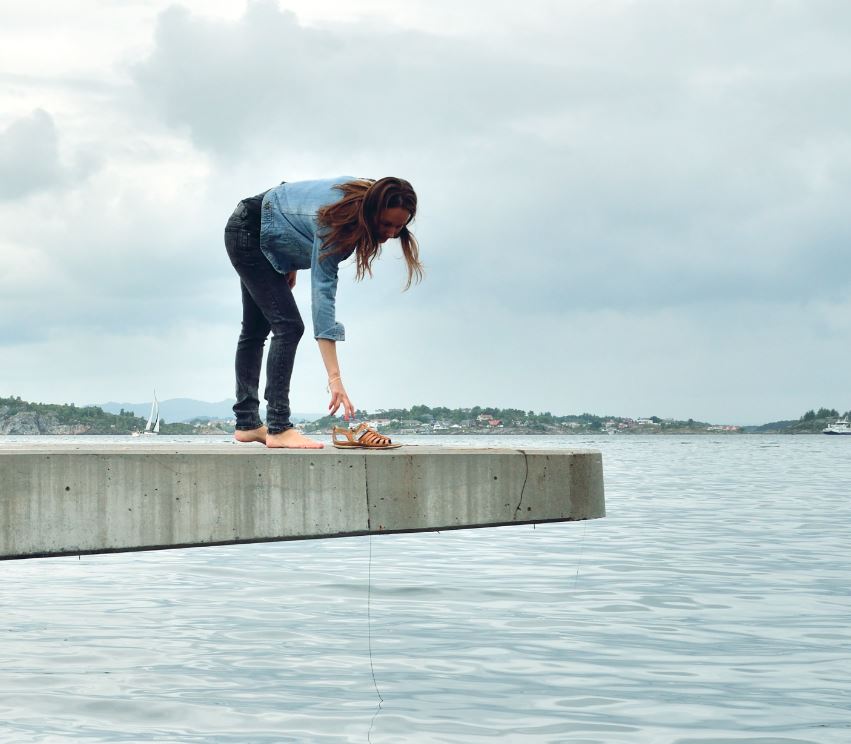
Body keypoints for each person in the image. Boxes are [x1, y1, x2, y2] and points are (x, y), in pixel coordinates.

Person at [224, 176, 423, 449]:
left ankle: (247, 424)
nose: (390, 233)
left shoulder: (363, 193)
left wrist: (287, 259)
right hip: (248, 232)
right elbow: (323, 299)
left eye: (399, 227)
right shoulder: (337, 225)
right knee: (289, 326)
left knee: (256, 330)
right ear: (371, 210)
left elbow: (291, 199)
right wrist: (335, 379)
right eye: (386, 224)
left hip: (259, 229)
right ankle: (278, 426)